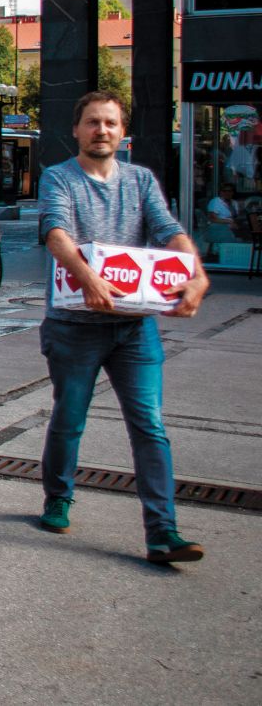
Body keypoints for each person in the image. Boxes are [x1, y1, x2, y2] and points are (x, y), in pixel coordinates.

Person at [37, 90, 209, 563]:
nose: (102, 131)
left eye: (111, 123)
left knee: (150, 425)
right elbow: (56, 232)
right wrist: (86, 276)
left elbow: (168, 229)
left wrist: (195, 271)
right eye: (93, 122)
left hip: (134, 328)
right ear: (76, 129)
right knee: (70, 418)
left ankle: (162, 531)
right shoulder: (59, 178)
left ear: (123, 133)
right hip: (75, 325)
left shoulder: (140, 181)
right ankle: (58, 494)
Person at [205, 182, 238, 247]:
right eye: (224, 191)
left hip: (232, 229)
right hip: (219, 230)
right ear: (220, 192)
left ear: (233, 192)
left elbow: (236, 217)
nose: (227, 193)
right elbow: (212, 219)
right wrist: (229, 221)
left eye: (230, 191)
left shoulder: (234, 203)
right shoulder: (216, 201)